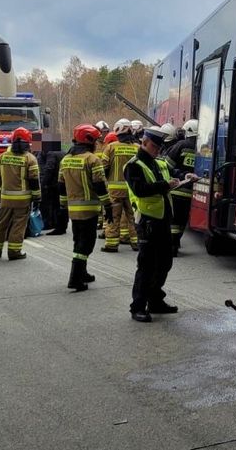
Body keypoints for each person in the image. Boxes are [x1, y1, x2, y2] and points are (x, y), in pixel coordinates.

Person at [126, 126, 189, 322]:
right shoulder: (134, 165)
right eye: (154, 146)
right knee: (146, 266)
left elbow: (173, 171)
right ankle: (138, 306)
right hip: (147, 221)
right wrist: (165, 185)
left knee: (164, 263)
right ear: (144, 142)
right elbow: (140, 190)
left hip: (163, 221)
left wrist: (185, 177)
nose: (157, 150)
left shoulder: (159, 162)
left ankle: (155, 300)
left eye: (159, 147)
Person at [62, 124, 111, 291]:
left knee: (78, 241)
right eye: (96, 140)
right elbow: (99, 186)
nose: (97, 143)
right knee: (86, 244)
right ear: (88, 141)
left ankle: (82, 273)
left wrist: (63, 205)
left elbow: (61, 185)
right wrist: (108, 206)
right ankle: (75, 278)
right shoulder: (92, 159)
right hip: (89, 210)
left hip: (73, 210)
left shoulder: (66, 159)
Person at [0, 127, 41, 260]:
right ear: (28, 142)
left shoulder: (2, 157)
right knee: (18, 225)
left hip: (5, 199)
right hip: (22, 200)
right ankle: (14, 251)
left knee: (1, 224)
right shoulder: (30, 159)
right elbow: (34, 181)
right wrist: (37, 197)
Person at [99, 119, 138, 252]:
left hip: (115, 190)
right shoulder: (137, 148)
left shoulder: (111, 147)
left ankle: (111, 244)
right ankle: (136, 242)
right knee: (132, 216)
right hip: (133, 190)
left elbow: (103, 168)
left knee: (113, 217)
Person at [164, 119, 198, 255]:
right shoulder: (203, 148)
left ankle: (171, 246)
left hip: (177, 190)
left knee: (173, 220)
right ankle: (176, 242)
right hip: (191, 193)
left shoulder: (181, 145)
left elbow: (166, 165)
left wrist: (180, 174)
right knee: (182, 220)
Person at [41, 141, 67, 235]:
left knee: (55, 205)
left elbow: (49, 168)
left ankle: (57, 226)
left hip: (54, 183)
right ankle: (63, 225)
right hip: (64, 182)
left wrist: (43, 183)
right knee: (63, 205)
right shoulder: (63, 152)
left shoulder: (51, 153)